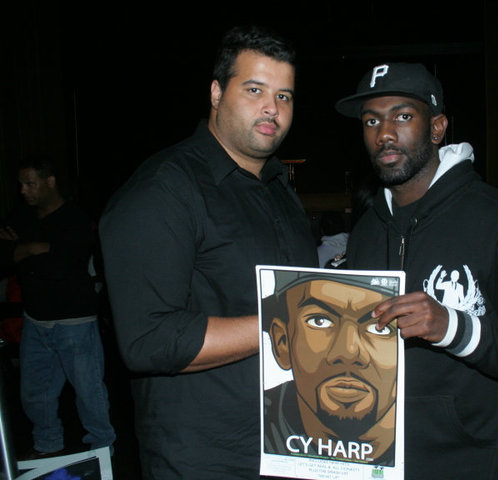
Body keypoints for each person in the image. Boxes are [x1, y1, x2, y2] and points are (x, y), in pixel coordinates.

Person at [98, 25, 318, 479]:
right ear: (216, 93)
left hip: (290, 442)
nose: (272, 108)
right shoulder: (164, 189)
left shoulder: (280, 189)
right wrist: (286, 322)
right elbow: (148, 340)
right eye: (255, 90)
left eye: (284, 96)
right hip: (205, 457)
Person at [334, 62, 498, 479]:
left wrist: (454, 328)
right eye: (371, 121)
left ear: (437, 127)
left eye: (402, 116)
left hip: (472, 462)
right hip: (377, 459)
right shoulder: (367, 229)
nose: (384, 133)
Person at [0, 154, 115, 459]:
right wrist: (33, 249)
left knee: (89, 392)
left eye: (30, 184)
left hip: (74, 322)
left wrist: (22, 250)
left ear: (50, 182)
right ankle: (47, 446)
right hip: (36, 320)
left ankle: (102, 452)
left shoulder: (74, 219)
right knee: (35, 393)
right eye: (21, 184)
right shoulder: (23, 216)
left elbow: (63, 265)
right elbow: (4, 256)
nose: (23, 190)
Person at [262, 269, 398, 465]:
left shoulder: (430, 436)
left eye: (379, 327)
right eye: (319, 321)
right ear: (282, 342)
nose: (348, 352)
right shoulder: (248, 428)